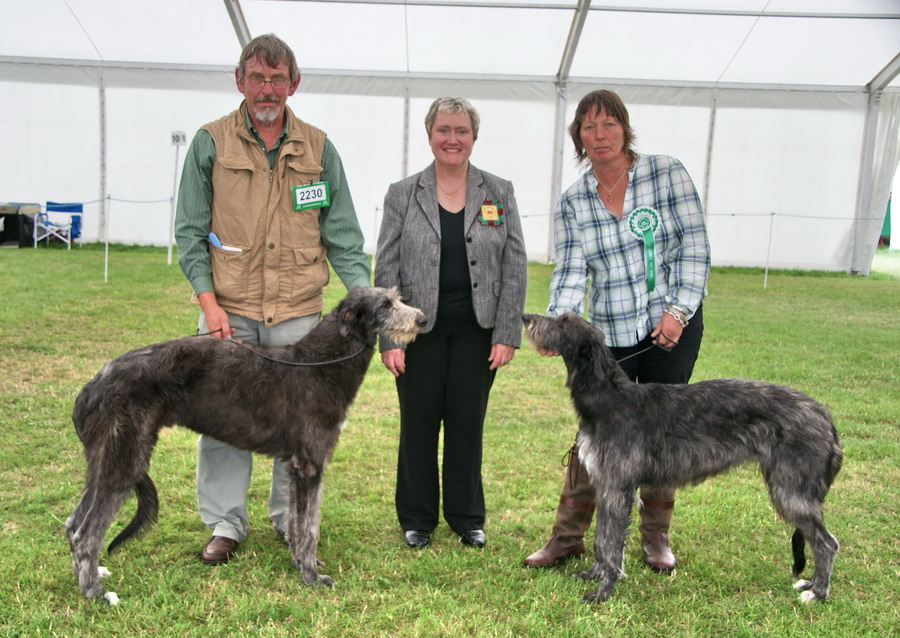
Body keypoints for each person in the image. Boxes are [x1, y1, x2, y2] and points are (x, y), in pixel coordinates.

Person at [174, 34, 370, 565]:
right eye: (257, 77)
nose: (267, 87)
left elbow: (345, 239)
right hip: (229, 309)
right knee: (222, 417)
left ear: (294, 83)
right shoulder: (209, 143)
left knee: (301, 422)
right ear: (240, 80)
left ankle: (291, 522)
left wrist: (365, 302)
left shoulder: (319, 148)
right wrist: (209, 305)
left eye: (277, 78)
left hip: (300, 312)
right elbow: (189, 232)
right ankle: (224, 524)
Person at [523, 89, 710, 572]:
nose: (600, 135)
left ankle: (655, 538)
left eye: (608, 124)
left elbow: (694, 247)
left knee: (661, 433)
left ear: (624, 128)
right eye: (588, 127)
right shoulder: (575, 200)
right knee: (596, 434)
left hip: (671, 327)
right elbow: (570, 270)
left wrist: (679, 310)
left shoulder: (667, 173)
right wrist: (558, 325)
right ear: (579, 139)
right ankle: (567, 537)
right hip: (611, 333)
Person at [375, 97, 527, 549]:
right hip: (416, 331)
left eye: (461, 131)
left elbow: (515, 265)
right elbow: (386, 269)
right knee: (417, 424)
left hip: (477, 332)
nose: (452, 139)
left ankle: (467, 517)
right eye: (444, 130)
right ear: (430, 136)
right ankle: (417, 518)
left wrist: (505, 333)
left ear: (473, 137)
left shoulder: (499, 191)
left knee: (467, 425)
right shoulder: (402, 193)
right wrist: (390, 337)